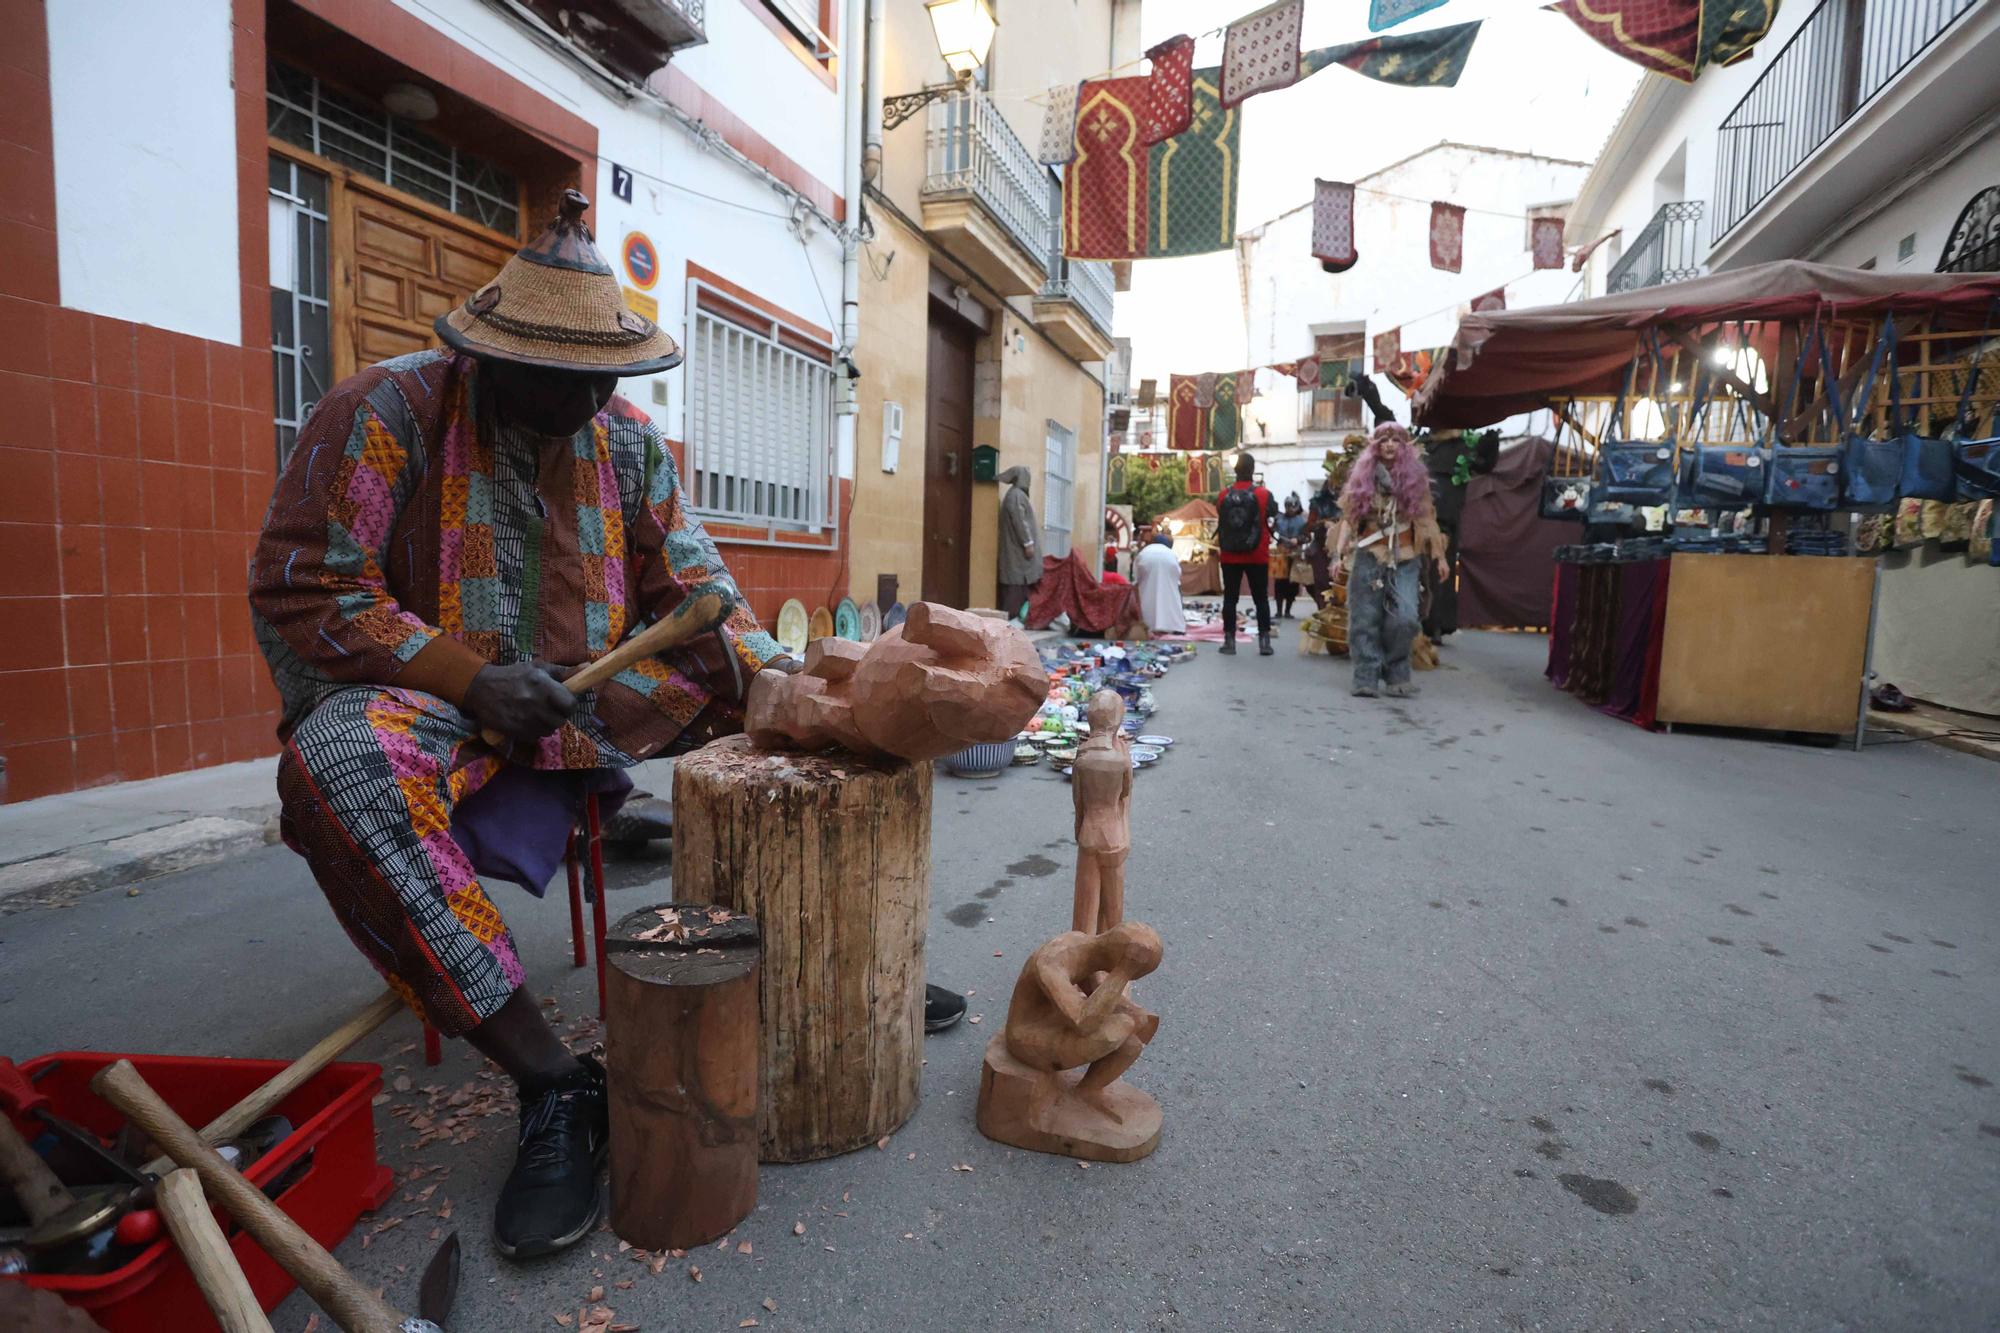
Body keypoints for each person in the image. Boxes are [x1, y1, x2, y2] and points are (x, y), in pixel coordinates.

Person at [246, 192, 973, 1261]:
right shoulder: (385, 410)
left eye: (607, 379)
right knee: (339, 769)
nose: (591, 400)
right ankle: (554, 1083)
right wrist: (471, 679)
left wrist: (783, 685)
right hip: (440, 706)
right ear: (488, 357)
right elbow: (308, 588)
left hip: (592, 700)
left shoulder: (625, 443)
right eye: (564, 381)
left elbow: (702, 589)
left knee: (779, 693)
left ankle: (849, 964)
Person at [1334, 423, 1448, 699]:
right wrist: (1339, 554)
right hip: (1369, 555)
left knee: (1406, 617)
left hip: (1406, 557)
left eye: (1395, 440)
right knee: (1365, 617)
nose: (1389, 444)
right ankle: (1366, 675)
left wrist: (1440, 557)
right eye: (1383, 439)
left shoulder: (1415, 480)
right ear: (1375, 445)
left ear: (1403, 446)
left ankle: (1397, 671)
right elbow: (1349, 520)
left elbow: (1427, 518)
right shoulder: (1363, 478)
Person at [1071, 690, 1132, 936]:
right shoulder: (1121, 759)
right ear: (1117, 720)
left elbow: (1079, 805)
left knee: (1086, 904)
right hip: (1115, 836)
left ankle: (1083, 962)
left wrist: (1078, 834)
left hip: (1089, 835)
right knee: (1114, 907)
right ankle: (1111, 961)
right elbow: (1124, 796)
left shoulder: (1082, 759)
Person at [1214, 452, 1276, 656]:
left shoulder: (1223, 495)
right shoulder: (1263, 494)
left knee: (1230, 599)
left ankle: (1229, 641)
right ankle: (1265, 642)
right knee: (1261, 599)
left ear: (1235, 470)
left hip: (1230, 554)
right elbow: (1272, 514)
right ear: (1252, 469)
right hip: (1257, 554)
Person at [997, 466, 1040, 619]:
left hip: (1016, 551)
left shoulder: (1017, 495)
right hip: (1016, 551)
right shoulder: (1015, 496)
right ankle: (1011, 618)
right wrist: (1028, 543)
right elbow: (1020, 522)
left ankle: (1016, 617)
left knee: (1019, 584)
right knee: (1015, 585)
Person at [1133, 531, 1187, 634]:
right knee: (1171, 595)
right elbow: (1177, 576)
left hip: (1147, 560)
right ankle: (1174, 626)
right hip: (1169, 562)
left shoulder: (1145, 551)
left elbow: (1136, 577)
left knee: (1146, 596)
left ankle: (1148, 625)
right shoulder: (1170, 552)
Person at [1272, 494, 1308, 620]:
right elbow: (1273, 532)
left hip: (1294, 553)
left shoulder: (1301, 521)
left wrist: (1297, 540)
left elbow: (1306, 536)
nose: (1289, 509)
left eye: (1292, 507)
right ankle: (1278, 610)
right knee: (1279, 582)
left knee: (1292, 583)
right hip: (1281, 552)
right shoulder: (1279, 519)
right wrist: (1276, 536)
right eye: (1287, 507)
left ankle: (1288, 610)